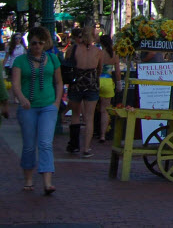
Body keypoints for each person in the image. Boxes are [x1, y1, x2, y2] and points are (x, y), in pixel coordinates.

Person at [11, 26, 63, 195]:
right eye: (34, 43)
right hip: (28, 107)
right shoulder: (20, 61)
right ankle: (28, 179)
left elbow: (59, 82)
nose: (37, 46)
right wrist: (22, 98)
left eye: (40, 43)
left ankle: (47, 183)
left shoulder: (52, 59)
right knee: (28, 146)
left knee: (45, 143)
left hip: (48, 105)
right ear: (29, 43)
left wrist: (56, 102)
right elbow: (16, 84)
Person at [64, 26, 104, 157]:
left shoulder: (73, 49)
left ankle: (74, 144)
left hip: (76, 83)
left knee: (75, 114)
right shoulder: (98, 51)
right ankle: (86, 148)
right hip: (91, 84)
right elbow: (100, 69)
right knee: (89, 117)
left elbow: (67, 64)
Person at [96, 34, 122, 143]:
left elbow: (98, 68)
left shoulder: (100, 53)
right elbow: (117, 72)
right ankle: (103, 135)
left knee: (92, 109)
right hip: (108, 82)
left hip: (98, 80)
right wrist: (119, 84)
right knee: (105, 110)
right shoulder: (115, 54)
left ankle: (93, 130)